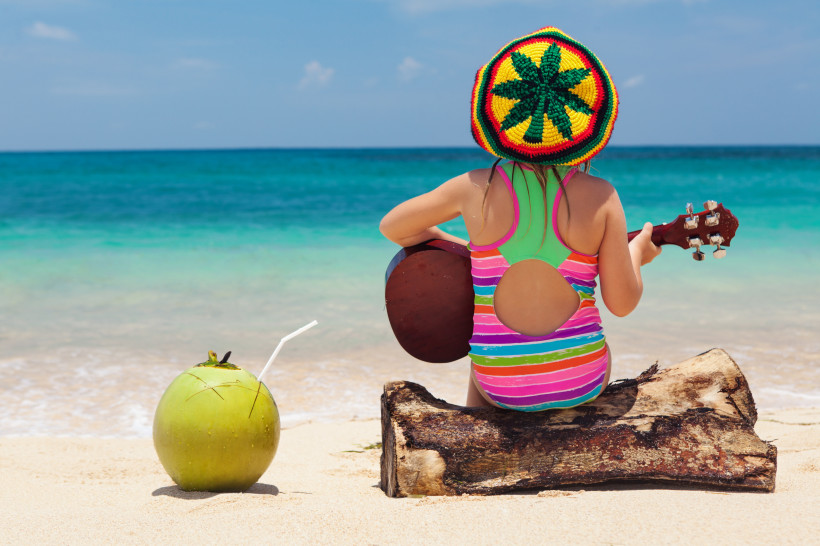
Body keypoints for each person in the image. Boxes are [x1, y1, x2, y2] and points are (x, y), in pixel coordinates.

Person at [380, 27, 661, 411]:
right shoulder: (603, 196)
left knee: (484, 356)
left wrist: (465, 246)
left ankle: (476, 422)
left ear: (499, 117)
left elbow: (393, 227)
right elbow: (622, 302)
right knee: (589, 348)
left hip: (502, 384)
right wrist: (638, 253)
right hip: (581, 379)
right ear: (584, 124)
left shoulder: (472, 188)